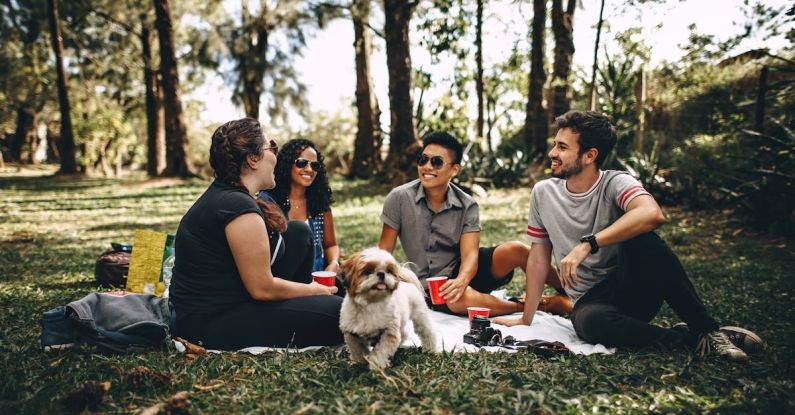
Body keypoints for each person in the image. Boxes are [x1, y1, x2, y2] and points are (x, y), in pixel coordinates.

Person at [494, 110, 762, 361]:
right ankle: (692, 338)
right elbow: (539, 259)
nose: (552, 152)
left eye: (562, 147)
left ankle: (708, 330)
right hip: (591, 303)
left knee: (643, 238)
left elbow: (652, 214)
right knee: (590, 323)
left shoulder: (616, 182)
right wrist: (526, 318)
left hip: (633, 288)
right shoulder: (543, 193)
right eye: (555, 144)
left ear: (590, 155)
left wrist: (588, 244)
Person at [170, 118, 343, 350]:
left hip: (237, 299)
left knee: (298, 232)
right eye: (271, 147)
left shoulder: (231, 196)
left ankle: (308, 304)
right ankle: (312, 305)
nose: (275, 154)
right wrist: (314, 290)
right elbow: (262, 288)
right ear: (252, 159)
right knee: (343, 313)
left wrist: (313, 292)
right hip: (212, 322)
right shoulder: (237, 207)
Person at [378, 131, 570, 316]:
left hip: (465, 270)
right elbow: (384, 251)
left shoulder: (467, 204)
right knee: (457, 299)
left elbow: (470, 256)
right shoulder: (399, 198)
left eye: (436, 162)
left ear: (454, 169)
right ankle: (537, 306)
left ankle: (571, 292)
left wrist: (462, 280)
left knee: (517, 249)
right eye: (423, 159)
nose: (427, 166)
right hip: (430, 286)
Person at [264, 138, 340, 273]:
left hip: (317, 280)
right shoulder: (268, 202)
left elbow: (331, 245)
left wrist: (333, 263)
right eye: (302, 163)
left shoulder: (319, 203)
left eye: (315, 165)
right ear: (287, 164)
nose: (309, 169)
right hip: (282, 281)